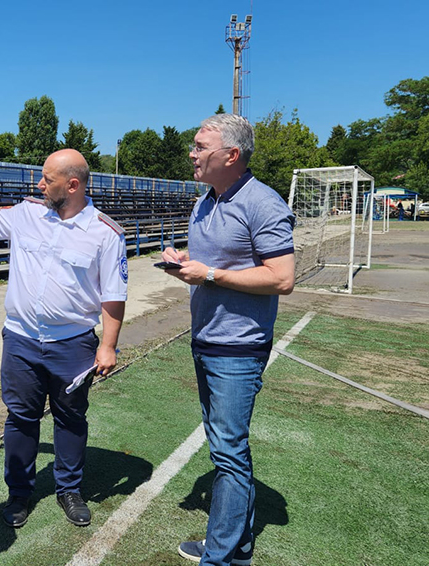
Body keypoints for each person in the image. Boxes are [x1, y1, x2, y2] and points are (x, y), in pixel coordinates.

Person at [0, 149, 127, 528]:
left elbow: (113, 295)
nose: (39, 185)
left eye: (47, 179)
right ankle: (19, 493)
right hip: (21, 340)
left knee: (70, 418)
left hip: (72, 343)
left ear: (72, 185)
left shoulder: (104, 233)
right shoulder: (27, 214)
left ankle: (69, 489)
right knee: (20, 418)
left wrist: (107, 345)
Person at [160, 114, 295, 566]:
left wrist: (211, 274)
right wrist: (185, 262)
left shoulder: (263, 203)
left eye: (201, 147)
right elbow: (210, 262)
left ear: (231, 155)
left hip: (238, 347)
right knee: (228, 448)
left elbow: (282, 277)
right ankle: (236, 547)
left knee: (228, 452)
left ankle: (217, 557)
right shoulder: (206, 201)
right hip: (207, 339)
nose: (192, 154)